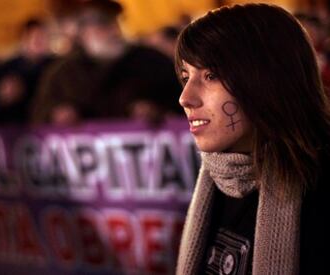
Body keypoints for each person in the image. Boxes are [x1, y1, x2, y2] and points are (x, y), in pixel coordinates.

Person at [175, 4, 329, 274]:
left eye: (211, 75)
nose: (185, 98)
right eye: (186, 76)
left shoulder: (317, 193)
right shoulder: (220, 177)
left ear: (267, 79)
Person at [32, 0, 182, 126]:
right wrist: (55, 114)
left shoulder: (152, 61)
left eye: (115, 20)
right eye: (102, 22)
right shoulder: (62, 73)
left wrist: (158, 110)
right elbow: (38, 114)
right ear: (82, 31)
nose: (114, 29)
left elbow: (182, 101)